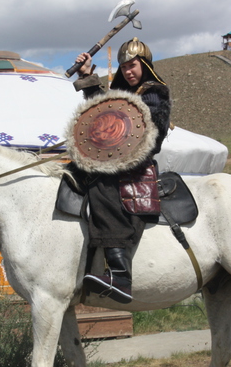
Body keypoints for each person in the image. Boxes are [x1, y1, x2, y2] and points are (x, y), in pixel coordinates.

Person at [70, 37, 172, 303]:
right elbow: (104, 114)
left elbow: (147, 132)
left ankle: (120, 275)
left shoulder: (154, 92)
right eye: (124, 67)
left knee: (103, 187)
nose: (128, 71)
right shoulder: (122, 92)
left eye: (132, 65)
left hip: (137, 160)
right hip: (114, 157)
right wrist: (87, 75)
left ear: (144, 65)